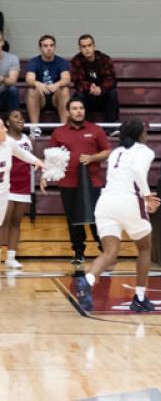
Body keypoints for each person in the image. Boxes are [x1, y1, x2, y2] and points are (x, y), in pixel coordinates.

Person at [74, 120, 160, 313]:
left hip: (105, 204)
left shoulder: (116, 152)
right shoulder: (145, 151)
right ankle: (139, 298)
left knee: (110, 252)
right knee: (145, 248)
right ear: (141, 134)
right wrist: (147, 196)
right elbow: (138, 171)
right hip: (128, 201)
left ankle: (87, 279)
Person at [41, 97, 111, 264]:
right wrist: (44, 176)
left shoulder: (96, 130)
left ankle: (105, 251)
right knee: (73, 218)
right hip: (68, 184)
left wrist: (93, 157)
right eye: (75, 108)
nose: (79, 111)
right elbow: (51, 158)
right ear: (68, 112)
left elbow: (107, 151)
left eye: (81, 108)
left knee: (97, 217)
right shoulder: (59, 132)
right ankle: (78, 252)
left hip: (93, 183)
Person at [0, 117, 43, 263]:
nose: (4, 130)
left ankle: (9, 257)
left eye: (3, 127)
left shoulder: (10, 143)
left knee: (10, 223)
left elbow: (24, 154)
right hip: (4, 191)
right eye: (1, 127)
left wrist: (37, 161)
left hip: (11, 190)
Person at [25, 35, 71, 136]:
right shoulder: (34, 62)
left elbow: (66, 78)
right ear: (40, 48)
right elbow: (29, 78)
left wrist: (57, 84)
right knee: (32, 89)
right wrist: (37, 83)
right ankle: (35, 128)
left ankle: (64, 128)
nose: (49, 48)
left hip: (56, 97)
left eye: (51, 45)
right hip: (41, 97)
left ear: (55, 47)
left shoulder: (61, 62)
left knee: (65, 90)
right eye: (45, 46)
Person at [70, 34, 120, 125]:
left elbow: (111, 79)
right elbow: (78, 82)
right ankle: (81, 126)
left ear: (94, 46)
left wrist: (101, 89)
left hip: (103, 96)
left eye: (89, 45)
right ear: (80, 48)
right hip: (87, 97)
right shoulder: (76, 60)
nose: (87, 49)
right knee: (78, 95)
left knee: (113, 93)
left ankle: (110, 127)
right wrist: (90, 88)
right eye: (83, 46)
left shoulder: (104, 59)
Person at [0, 31, 21, 112]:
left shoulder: (12, 58)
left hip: (3, 96)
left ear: (2, 42)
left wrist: (2, 79)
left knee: (13, 90)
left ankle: (14, 120)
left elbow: (13, 80)